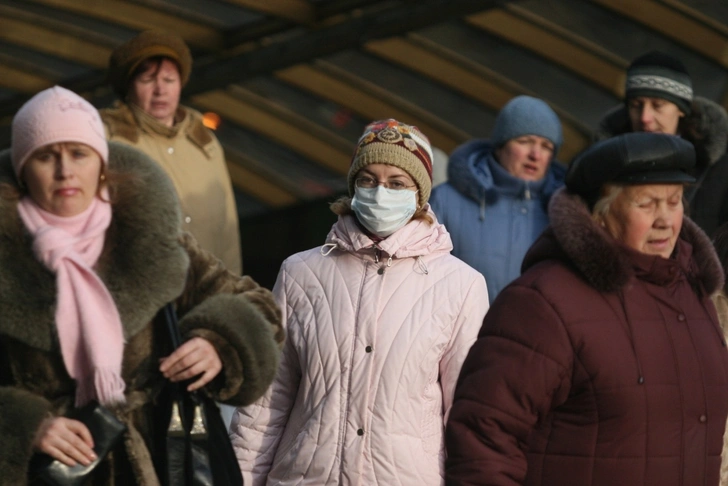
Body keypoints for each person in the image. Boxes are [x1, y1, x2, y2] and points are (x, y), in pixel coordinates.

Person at [0, 86, 283, 485]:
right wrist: (24, 426)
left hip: (164, 460)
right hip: (51, 473)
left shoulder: (154, 239)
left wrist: (218, 343)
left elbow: (259, 307)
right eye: (46, 156)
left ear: (100, 163)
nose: (65, 171)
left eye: (78, 153)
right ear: (23, 169)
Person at [446, 132, 728, 485]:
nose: (665, 220)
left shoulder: (694, 293)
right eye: (646, 203)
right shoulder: (543, 302)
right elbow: (483, 438)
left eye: (674, 202)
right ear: (601, 214)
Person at [229, 119, 489, 485]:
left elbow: (468, 413)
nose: (381, 192)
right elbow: (266, 401)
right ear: (353, 187)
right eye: (368, 180)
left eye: (396, 182)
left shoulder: (460, 285)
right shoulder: (300, 273)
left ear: (419, 194)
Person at [100, 30, 242, 274]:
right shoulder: (108, 139)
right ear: (128, 87)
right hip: (145, 291)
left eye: (169, 80)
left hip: (208, 289)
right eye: (147, 80)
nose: (160, 90)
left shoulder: (203, 140)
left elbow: (228, 225)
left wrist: (234, 287)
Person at [429, 95, 565, 303]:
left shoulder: (564, 213)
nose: (535, 155)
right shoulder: (447, 199)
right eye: (525, 141)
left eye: (546, 146)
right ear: (501, 145)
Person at [595, 50, 728, 237]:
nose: (645, 118)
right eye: (636, 105)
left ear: (682, 110)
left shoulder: (720, 167)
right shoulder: (599, 164)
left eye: (657, 105)